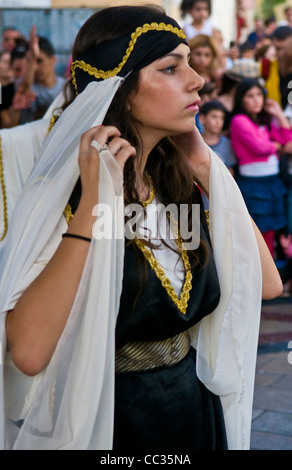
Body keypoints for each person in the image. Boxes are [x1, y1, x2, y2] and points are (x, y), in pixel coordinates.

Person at [0, 5, 282, 451]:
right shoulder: (65, 196)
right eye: (171, 68)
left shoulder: (175, 185)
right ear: (121, 88)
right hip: (116, 422)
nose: (198, 80)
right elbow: (30, 352)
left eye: (190, 62)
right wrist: (93, 205)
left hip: (193, 412)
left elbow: (265, 283)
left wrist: (209, 170)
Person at [230, 78, 292, 257]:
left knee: (269, 234)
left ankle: (270, 278)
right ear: (242, 99)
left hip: (271, 182)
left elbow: (287, 141)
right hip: (253, 184)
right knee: (254, 236)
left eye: (259, 95)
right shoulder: (239, 120)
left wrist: (280, 115)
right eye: (250, 96)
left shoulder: (265, 120)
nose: (257, 100)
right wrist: (277, 146)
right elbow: (261, 147)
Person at [16, 27, 66, 124]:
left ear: (53, 60)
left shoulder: (65, 88)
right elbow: (24, 89)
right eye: (30, 62)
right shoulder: (25, 83)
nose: (34, 67)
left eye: (39, 61)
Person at [200, 101, 237, 175]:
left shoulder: (227, 143)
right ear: (202, 119)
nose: (218, 122)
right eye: (214, 117)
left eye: (222, 118)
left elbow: (230, 172)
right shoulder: (195, 143)